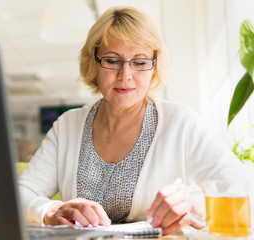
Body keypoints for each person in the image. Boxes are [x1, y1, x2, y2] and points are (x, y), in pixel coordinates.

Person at [18, 6, 252, 235]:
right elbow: (20, 192)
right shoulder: (67, 127)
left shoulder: (180, 123)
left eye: (139, 62)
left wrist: (194, 203)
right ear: (93, 62)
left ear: (154, 67)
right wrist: (50, 209)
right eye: (112, 61)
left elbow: (242, 188)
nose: (125, 75)